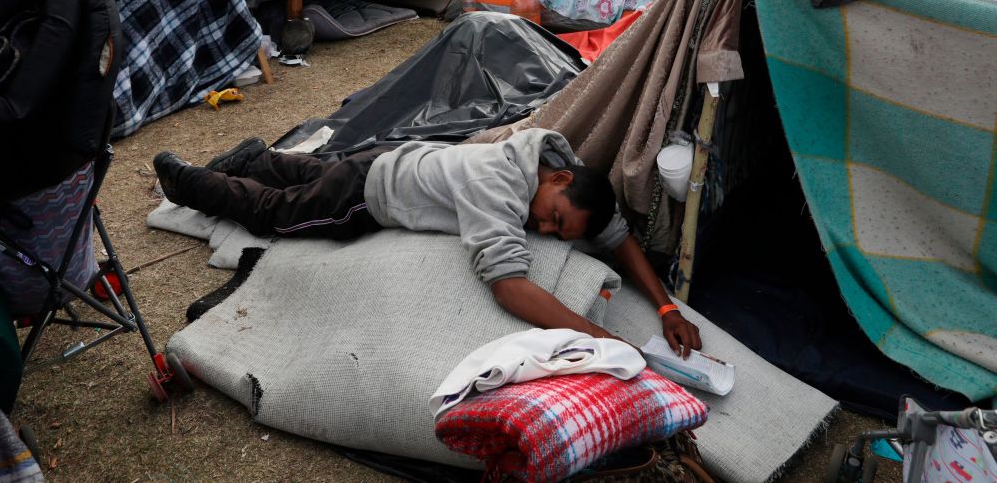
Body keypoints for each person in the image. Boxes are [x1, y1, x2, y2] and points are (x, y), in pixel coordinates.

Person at [153, 129, 704, 357]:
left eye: (560, 233)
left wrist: (663, 307)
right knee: (277, 214)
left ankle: (257, 158)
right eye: (555, 221)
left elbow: (616, 235)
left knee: (316, 173)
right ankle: (186, 182)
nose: (547, 231)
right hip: (369, 194)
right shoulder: (498, 190)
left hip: (391, 159)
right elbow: (510, 288)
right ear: (557, 183)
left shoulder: (555, 163)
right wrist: (597, 336)